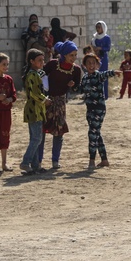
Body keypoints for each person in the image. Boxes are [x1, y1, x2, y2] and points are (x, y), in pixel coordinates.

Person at [44, 40, 81, 170]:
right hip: (46, 101)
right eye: (71, 55)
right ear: (64, 54)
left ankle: (55, 160)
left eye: (75, 55)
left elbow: (78, 87)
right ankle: (37, 161)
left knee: (59, 132)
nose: (74, 58)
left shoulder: (76, 70)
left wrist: (73, 85)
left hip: (60, 103)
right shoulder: (53, 64)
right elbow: (41, 76)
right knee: (42, 130)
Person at [80, 52, 117, 170]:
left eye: (93, 63)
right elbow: (80, 89)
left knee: (92, 134)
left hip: (99, 110)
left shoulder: (98, 76)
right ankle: (104, 159)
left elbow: (106, 74)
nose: (91, 65)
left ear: (97, 65)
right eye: (88, 63)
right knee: (96, 134)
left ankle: (92, 160)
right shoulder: (85, 78)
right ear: (84, 65)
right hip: (89, 110)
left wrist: (113, 72)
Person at [19, 48, 49, 175]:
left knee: (35, 138)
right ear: (32, 61)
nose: (42, 62)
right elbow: (34, 93)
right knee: (37, 139)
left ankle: (35, 165)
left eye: (43, 60)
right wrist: (45, 100)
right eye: (39, 60)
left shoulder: (37, 74)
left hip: (38, 110)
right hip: (34, 110)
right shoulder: (32, 75)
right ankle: (25, 163)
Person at [92, 21, 112, 99]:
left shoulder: (107, 38)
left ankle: (105, 94)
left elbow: (108, 48)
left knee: (104, 75)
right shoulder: (94, 38)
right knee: (96, 76)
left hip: (103, 58)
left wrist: (100, 48)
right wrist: (94, 49)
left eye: (99, 27)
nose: (98, 29)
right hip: (95, 58)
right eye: (97, 27)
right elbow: (92, 46)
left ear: (103, 28)